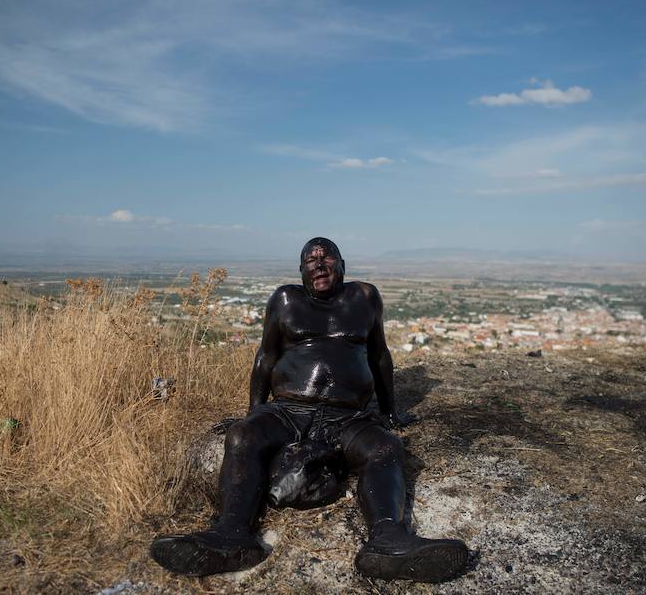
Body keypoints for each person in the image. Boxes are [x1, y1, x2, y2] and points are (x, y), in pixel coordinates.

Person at [150, 237, 468, 582]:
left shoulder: (364, 297)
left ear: (342, 264)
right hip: (288, 410)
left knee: (385, 447)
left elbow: (379, 354)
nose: (318, 263)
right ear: (301, 270)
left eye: (326, 256)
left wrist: (390, 411)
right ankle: (232, 534)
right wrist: (254, 411)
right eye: (310, 259)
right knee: (242, 435)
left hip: (346, 416)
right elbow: (266, 357)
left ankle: (388, 540)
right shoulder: (286, 299)